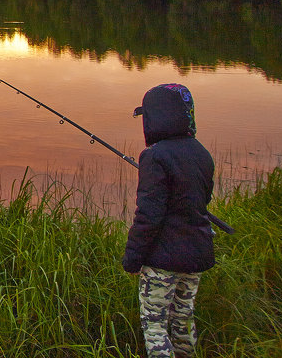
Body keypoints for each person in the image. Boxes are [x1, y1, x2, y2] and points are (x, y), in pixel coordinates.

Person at [122, 83, 216, 358]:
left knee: (155, 326)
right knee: (183, 319)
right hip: (197, 254)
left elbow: (148, 217)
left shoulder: (154, 156)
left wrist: (132, 258)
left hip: (163, 259)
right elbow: (202, 201)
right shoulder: (202, 154)